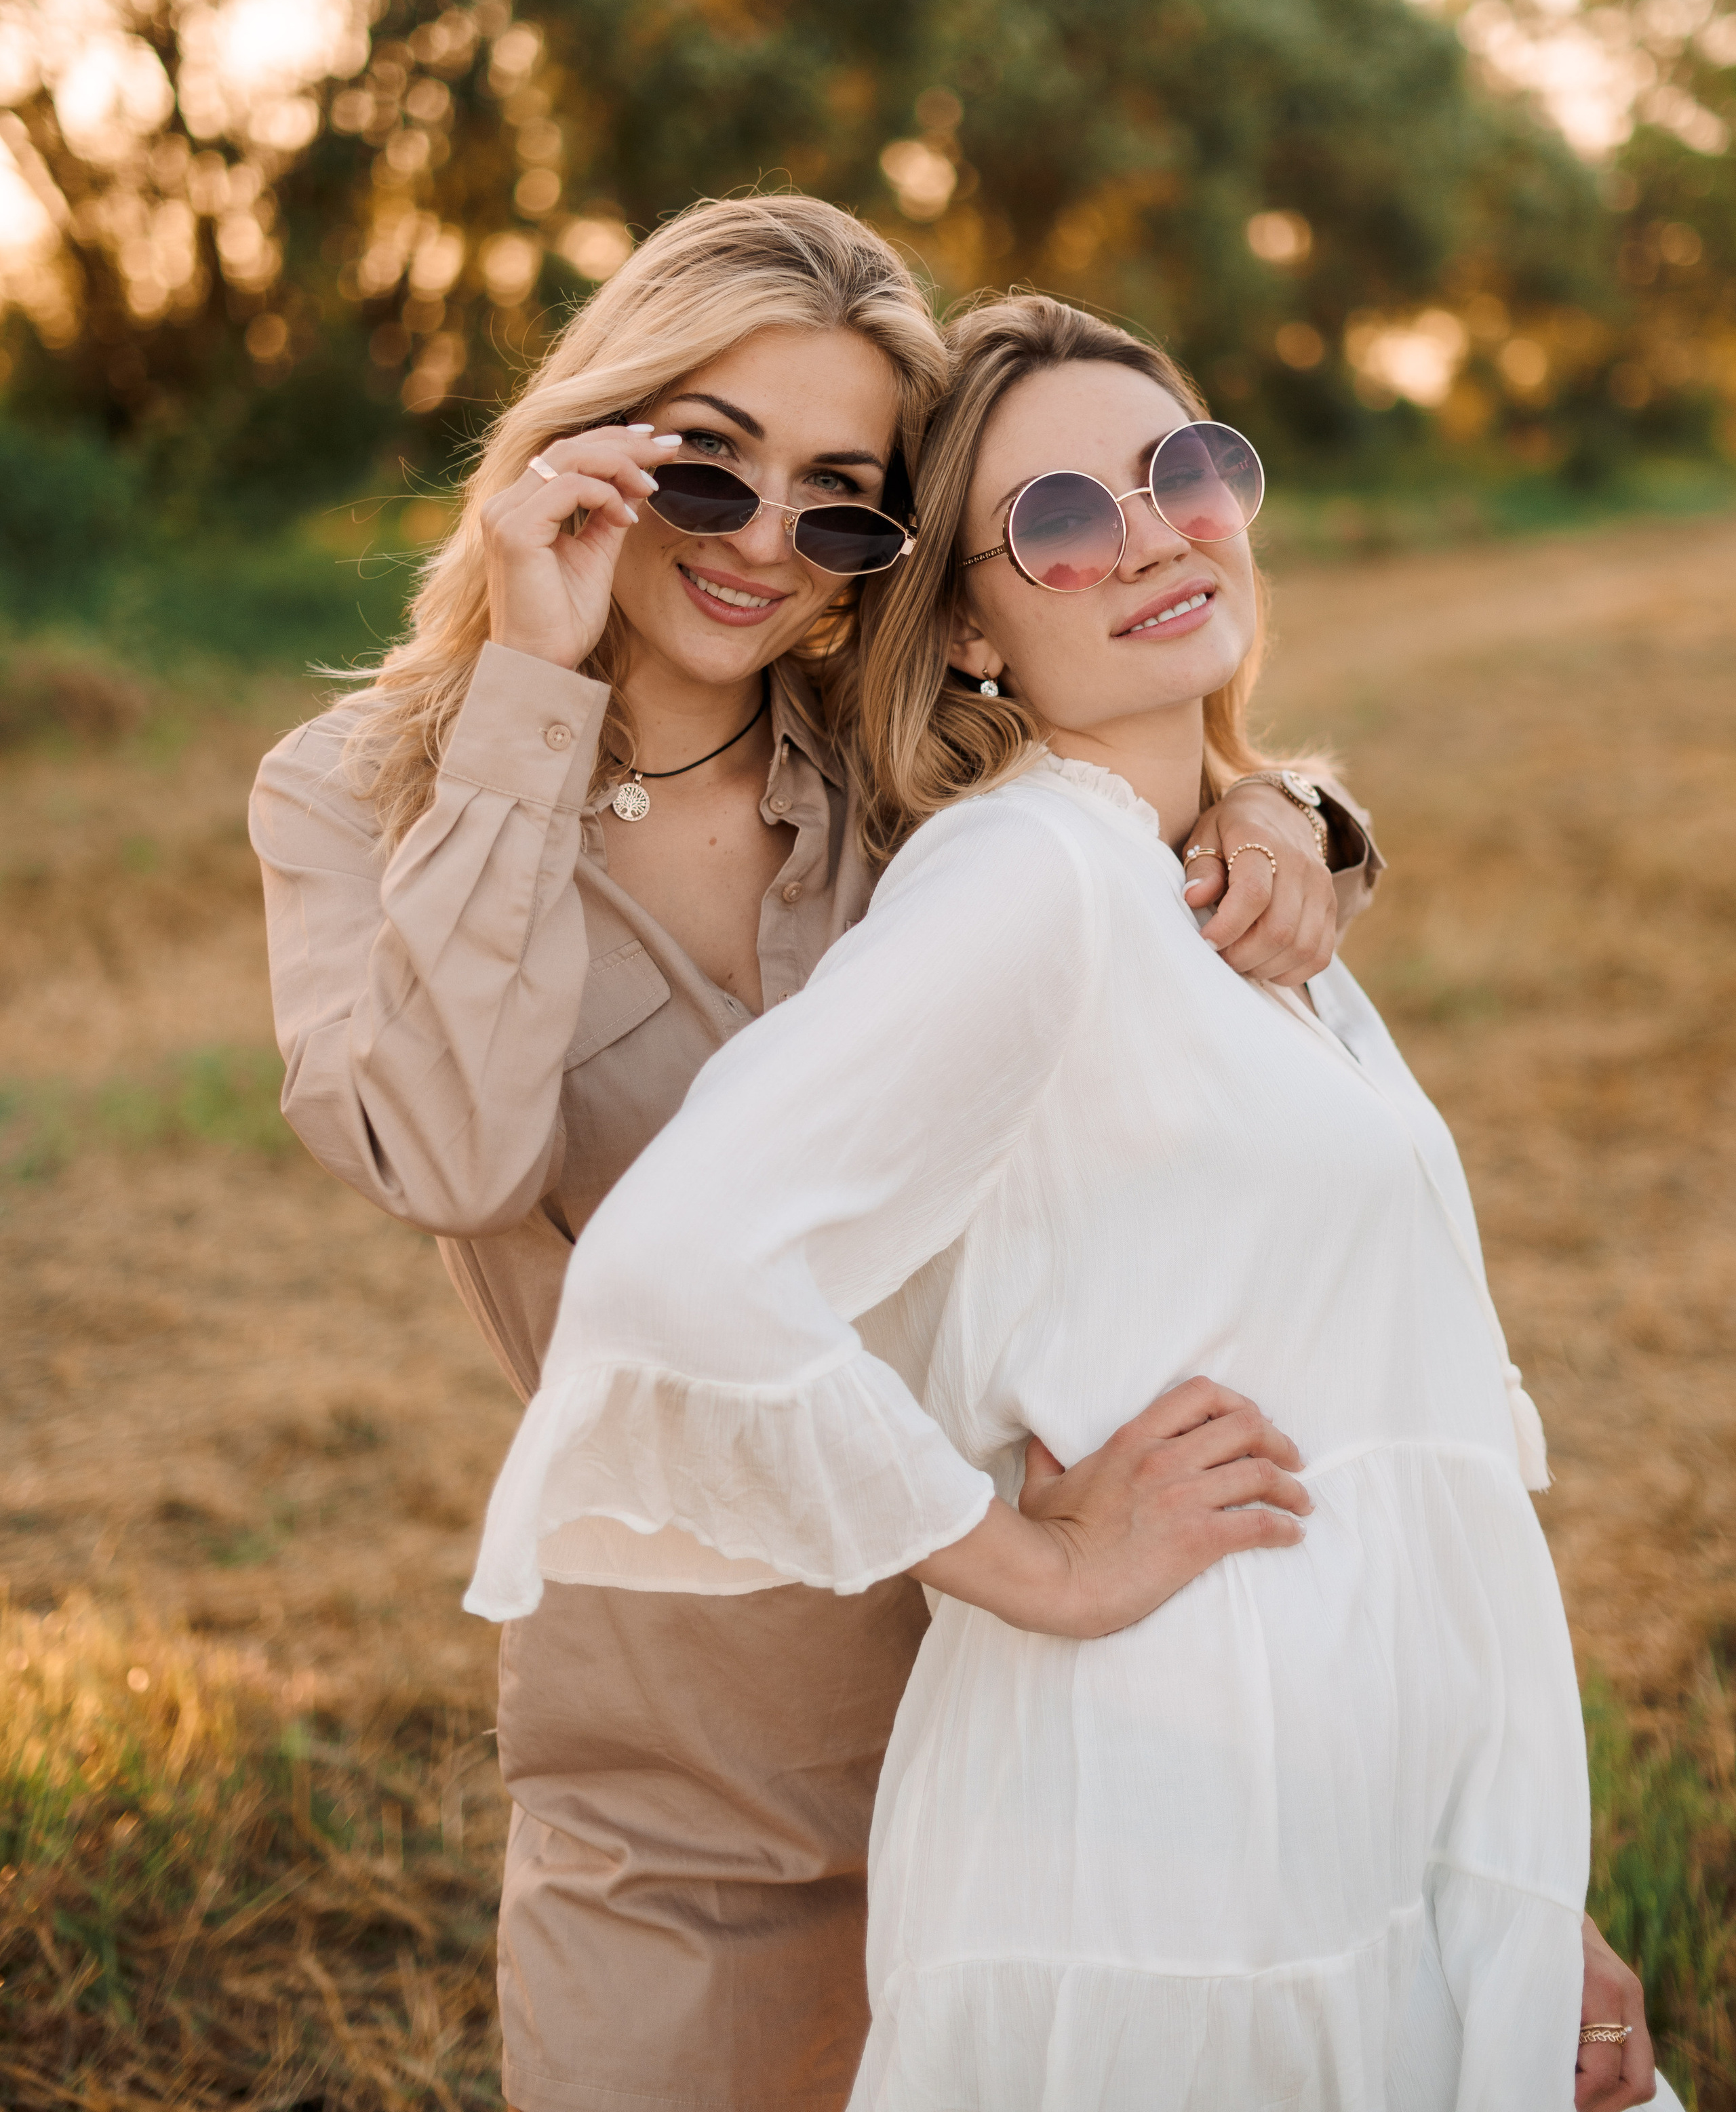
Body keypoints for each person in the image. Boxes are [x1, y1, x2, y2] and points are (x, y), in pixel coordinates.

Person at [465, 293, 1663, 2112]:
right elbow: (680, 1274)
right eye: (1059, 522)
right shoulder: (1029, 882)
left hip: (1345, 1804)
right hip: (1162, 1837)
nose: (1158, 532)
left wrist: (1496, 1895)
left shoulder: (1214, 880)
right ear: (964, 627)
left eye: (1183, 469)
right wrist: (1024, 1555)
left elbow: (1377, 1424)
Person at [251, 201, 1377, 2112]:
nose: (767, 543)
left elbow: (1168, 737)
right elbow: (443, 1154)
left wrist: (1290, 811)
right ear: (588, 437)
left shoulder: (909, 753)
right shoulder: (360, 793)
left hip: (1058, 1674)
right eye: (710, 466)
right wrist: (531, 680)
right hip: (704, 1745)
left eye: (843, 501)